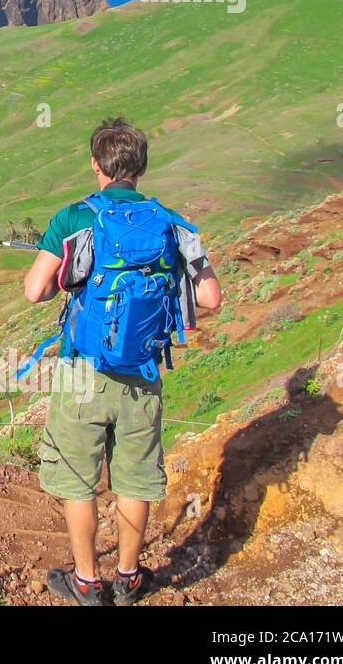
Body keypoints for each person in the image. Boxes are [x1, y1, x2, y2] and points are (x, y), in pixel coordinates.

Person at [22, 118, 222, 605]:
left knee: (79, 479)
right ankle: (129, 577)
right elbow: (211, 297)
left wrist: (69, 281)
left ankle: (88, 581)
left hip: (83, 370)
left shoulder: (74, 218)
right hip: (143, 372)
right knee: (134, 476)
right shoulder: (171, 224)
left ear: (96, 165)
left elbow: (34, 291)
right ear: (142, 167)